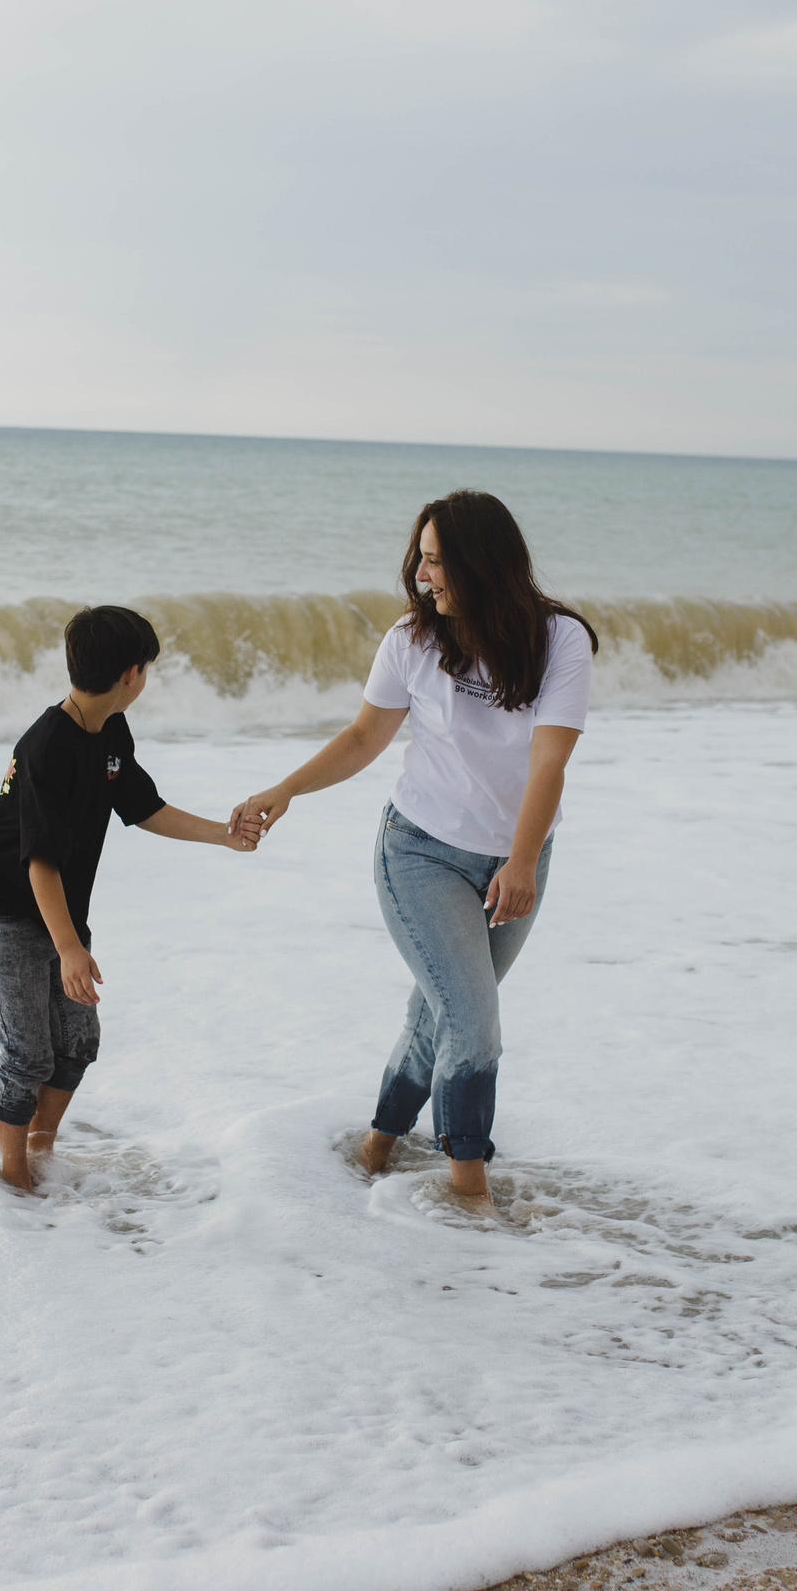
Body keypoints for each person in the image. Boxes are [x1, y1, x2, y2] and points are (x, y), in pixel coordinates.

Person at [230, 491, 593, 1204]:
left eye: (437, 561)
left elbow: (549, 761)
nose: (423, 576)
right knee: (472, 1019)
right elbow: (365, 737)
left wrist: (520, 862)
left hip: (518, 858)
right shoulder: (412, 641)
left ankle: (378, 1143)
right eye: (421, 559)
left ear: (482, 565)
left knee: (440, 1011)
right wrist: (286, 789)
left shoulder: (560, 641)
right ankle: (469, 1191)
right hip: (420, 853)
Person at [0, 604, 259, 1193]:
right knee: (26, 1056)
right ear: (131, 674)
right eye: (146, 668)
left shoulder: (111, 730)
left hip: (61, 910)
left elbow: (143, 808)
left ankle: (41, 1151)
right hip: (4, 908)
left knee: (78, 1042)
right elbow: (39, 864)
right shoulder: (46, 746)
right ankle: (13, 1181)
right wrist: (69, 948)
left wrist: (223, 837)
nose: (146, 678)